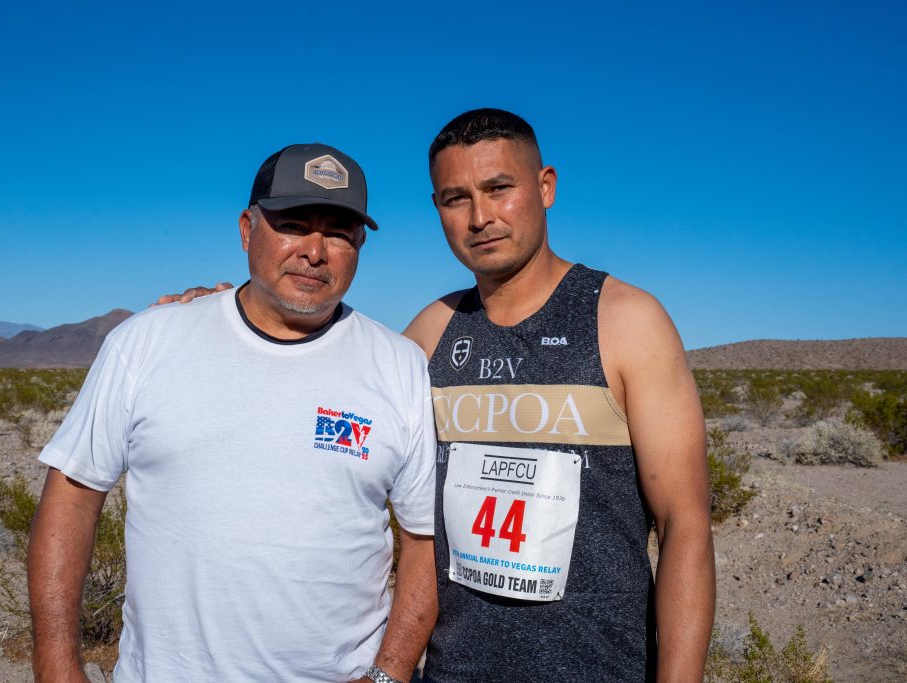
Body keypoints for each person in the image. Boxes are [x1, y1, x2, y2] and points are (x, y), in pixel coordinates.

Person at [167, 110, 716, 682]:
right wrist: (226, 311)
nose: (480, 217)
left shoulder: (626, 321)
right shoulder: (429, 335)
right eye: (456, 199)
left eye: (499, 189)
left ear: (545, 187)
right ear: (437, 209)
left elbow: (685, 525)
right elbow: (311, 367)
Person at [28, 143, 438, 683]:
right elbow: (72, 499)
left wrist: (389, 674)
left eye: (338, 233)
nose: (315, 252)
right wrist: (56, 666)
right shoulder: (149, 341)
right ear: (248, 229)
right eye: (293, 224)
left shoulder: (398, 365)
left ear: (359, 245)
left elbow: (425, 540)